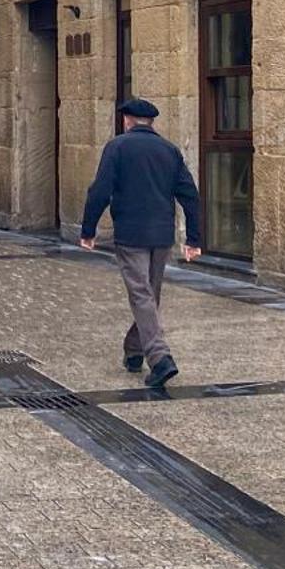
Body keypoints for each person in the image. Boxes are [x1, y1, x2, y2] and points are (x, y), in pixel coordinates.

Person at [79, 97, 202, 390]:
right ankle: (134, 350)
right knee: (149, 296)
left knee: (142, 295)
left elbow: (100, 190)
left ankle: (160, 359)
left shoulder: (117, 147)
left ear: (127, 120)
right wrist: (194, 237)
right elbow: (190, 195)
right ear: (151, 122)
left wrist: (88, 229)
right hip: (161, 236)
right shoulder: (169, 150)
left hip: (131, 234)